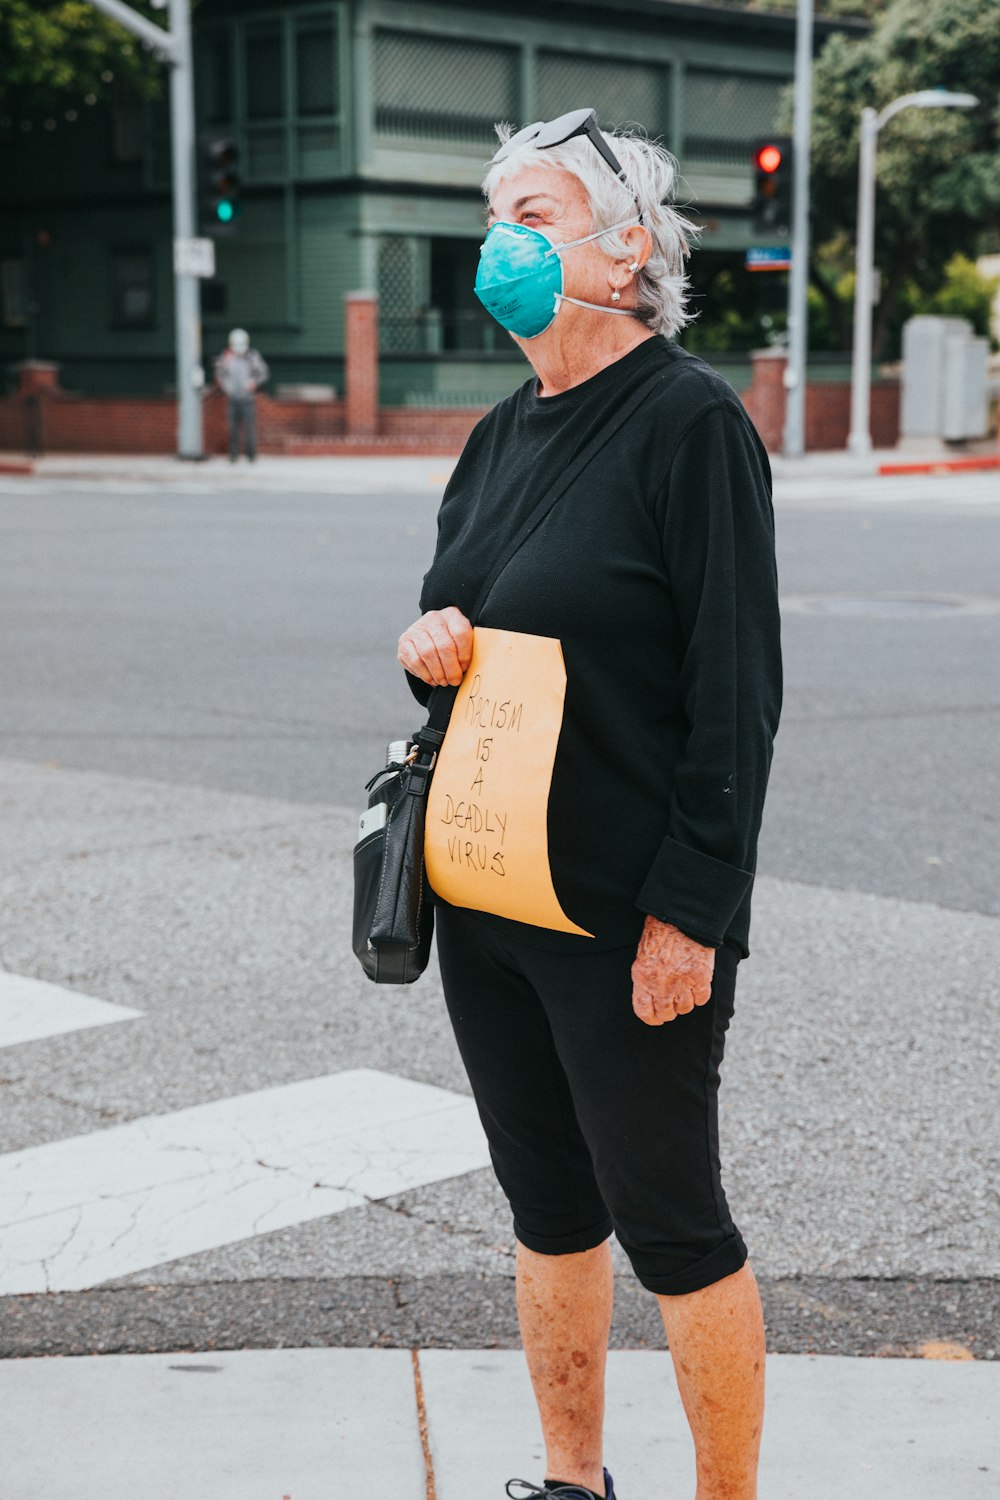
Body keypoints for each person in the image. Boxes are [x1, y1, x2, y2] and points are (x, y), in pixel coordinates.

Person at [397, 109, 782, 1500]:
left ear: (628, 250)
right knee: (547, 1210)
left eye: (538, 212)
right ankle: (575, 1479)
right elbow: (462, 610)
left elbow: (736, 690)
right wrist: (426, 637)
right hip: (494, 896)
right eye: (497, 210)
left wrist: (693, 911)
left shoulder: (690, 424)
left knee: (671, 1225)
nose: (506, 236)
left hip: (629, 917)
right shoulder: (501, 434)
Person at [214, 327, 268, 462]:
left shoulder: (252, 356)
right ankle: (233, 455)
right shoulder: (226, 357)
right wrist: (228, 387)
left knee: (249, 429)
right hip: (232, 398)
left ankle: (251, 455)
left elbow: (263, 372)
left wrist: (254, 383)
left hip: (247, 399)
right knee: (232, 429)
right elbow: (220, 374)